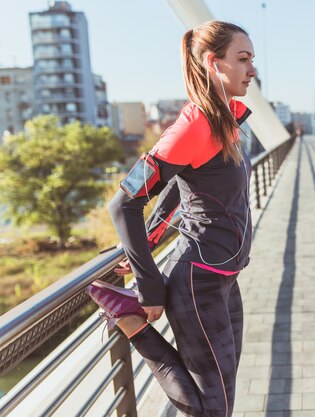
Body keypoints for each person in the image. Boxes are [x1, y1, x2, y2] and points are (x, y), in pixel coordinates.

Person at [86, 20, 257, 417]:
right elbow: (123, 203)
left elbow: (180, 187)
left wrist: (152, 235)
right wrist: (148, 286)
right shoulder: (193, 126)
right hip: (198, 280)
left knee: (222, 396)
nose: (252, 70)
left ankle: (130, 318)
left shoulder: (224, 121)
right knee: (214, 410)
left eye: (252, 60)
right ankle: (131, 320)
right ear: (213, 63)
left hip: (225, 277)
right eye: (243, 59)